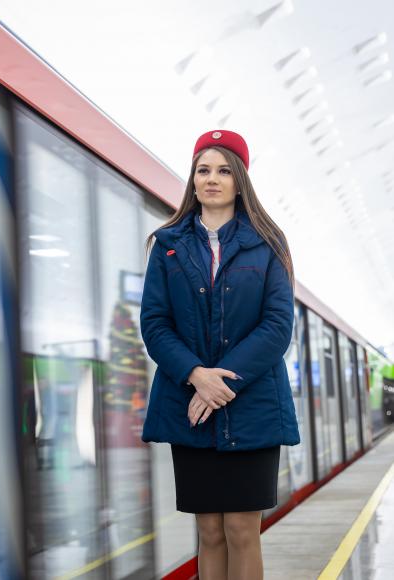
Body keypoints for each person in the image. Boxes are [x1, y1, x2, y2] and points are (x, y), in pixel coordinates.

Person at [140, 129, 300, 580]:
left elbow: (276, 327)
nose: (212, 179)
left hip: (252, 406)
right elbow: (155, 323)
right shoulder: (167, 244)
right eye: (203, 170)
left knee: (243, 530)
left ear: (240, 180)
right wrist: (195, 374)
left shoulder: (269, 243)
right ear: (192, 181)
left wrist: (218, 384)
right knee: (208, 531)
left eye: (224, 170)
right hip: (188, 405)